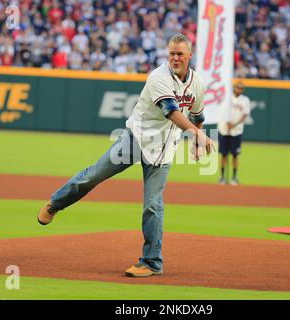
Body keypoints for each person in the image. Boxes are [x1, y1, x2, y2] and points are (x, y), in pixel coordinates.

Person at [37, 34, 213, 277]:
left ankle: (151, 262)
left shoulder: (198, 84)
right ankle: (56, 203)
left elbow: (198, 115)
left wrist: (197, 138)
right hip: (135, 139)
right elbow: (171, 112)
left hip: (164, 149)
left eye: (180, 54)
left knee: (153, 205)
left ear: (189, 55)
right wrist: (196, 133)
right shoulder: (158, 77)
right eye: (171, 53)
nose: (175, 58)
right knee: (94, 175)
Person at [217, 81, 250, 186]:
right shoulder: (226, 98)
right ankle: (222, 177)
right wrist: (227, 122)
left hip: (236, 131)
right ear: (234, 88)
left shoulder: (245, 100)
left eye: (241, 88)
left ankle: (234, 177)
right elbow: (220, 111)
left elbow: (244, 115)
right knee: (223, 154)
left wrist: (234, 124)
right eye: (237, 87)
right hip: (224, 130)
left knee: (235, 155)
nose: (239, 90)